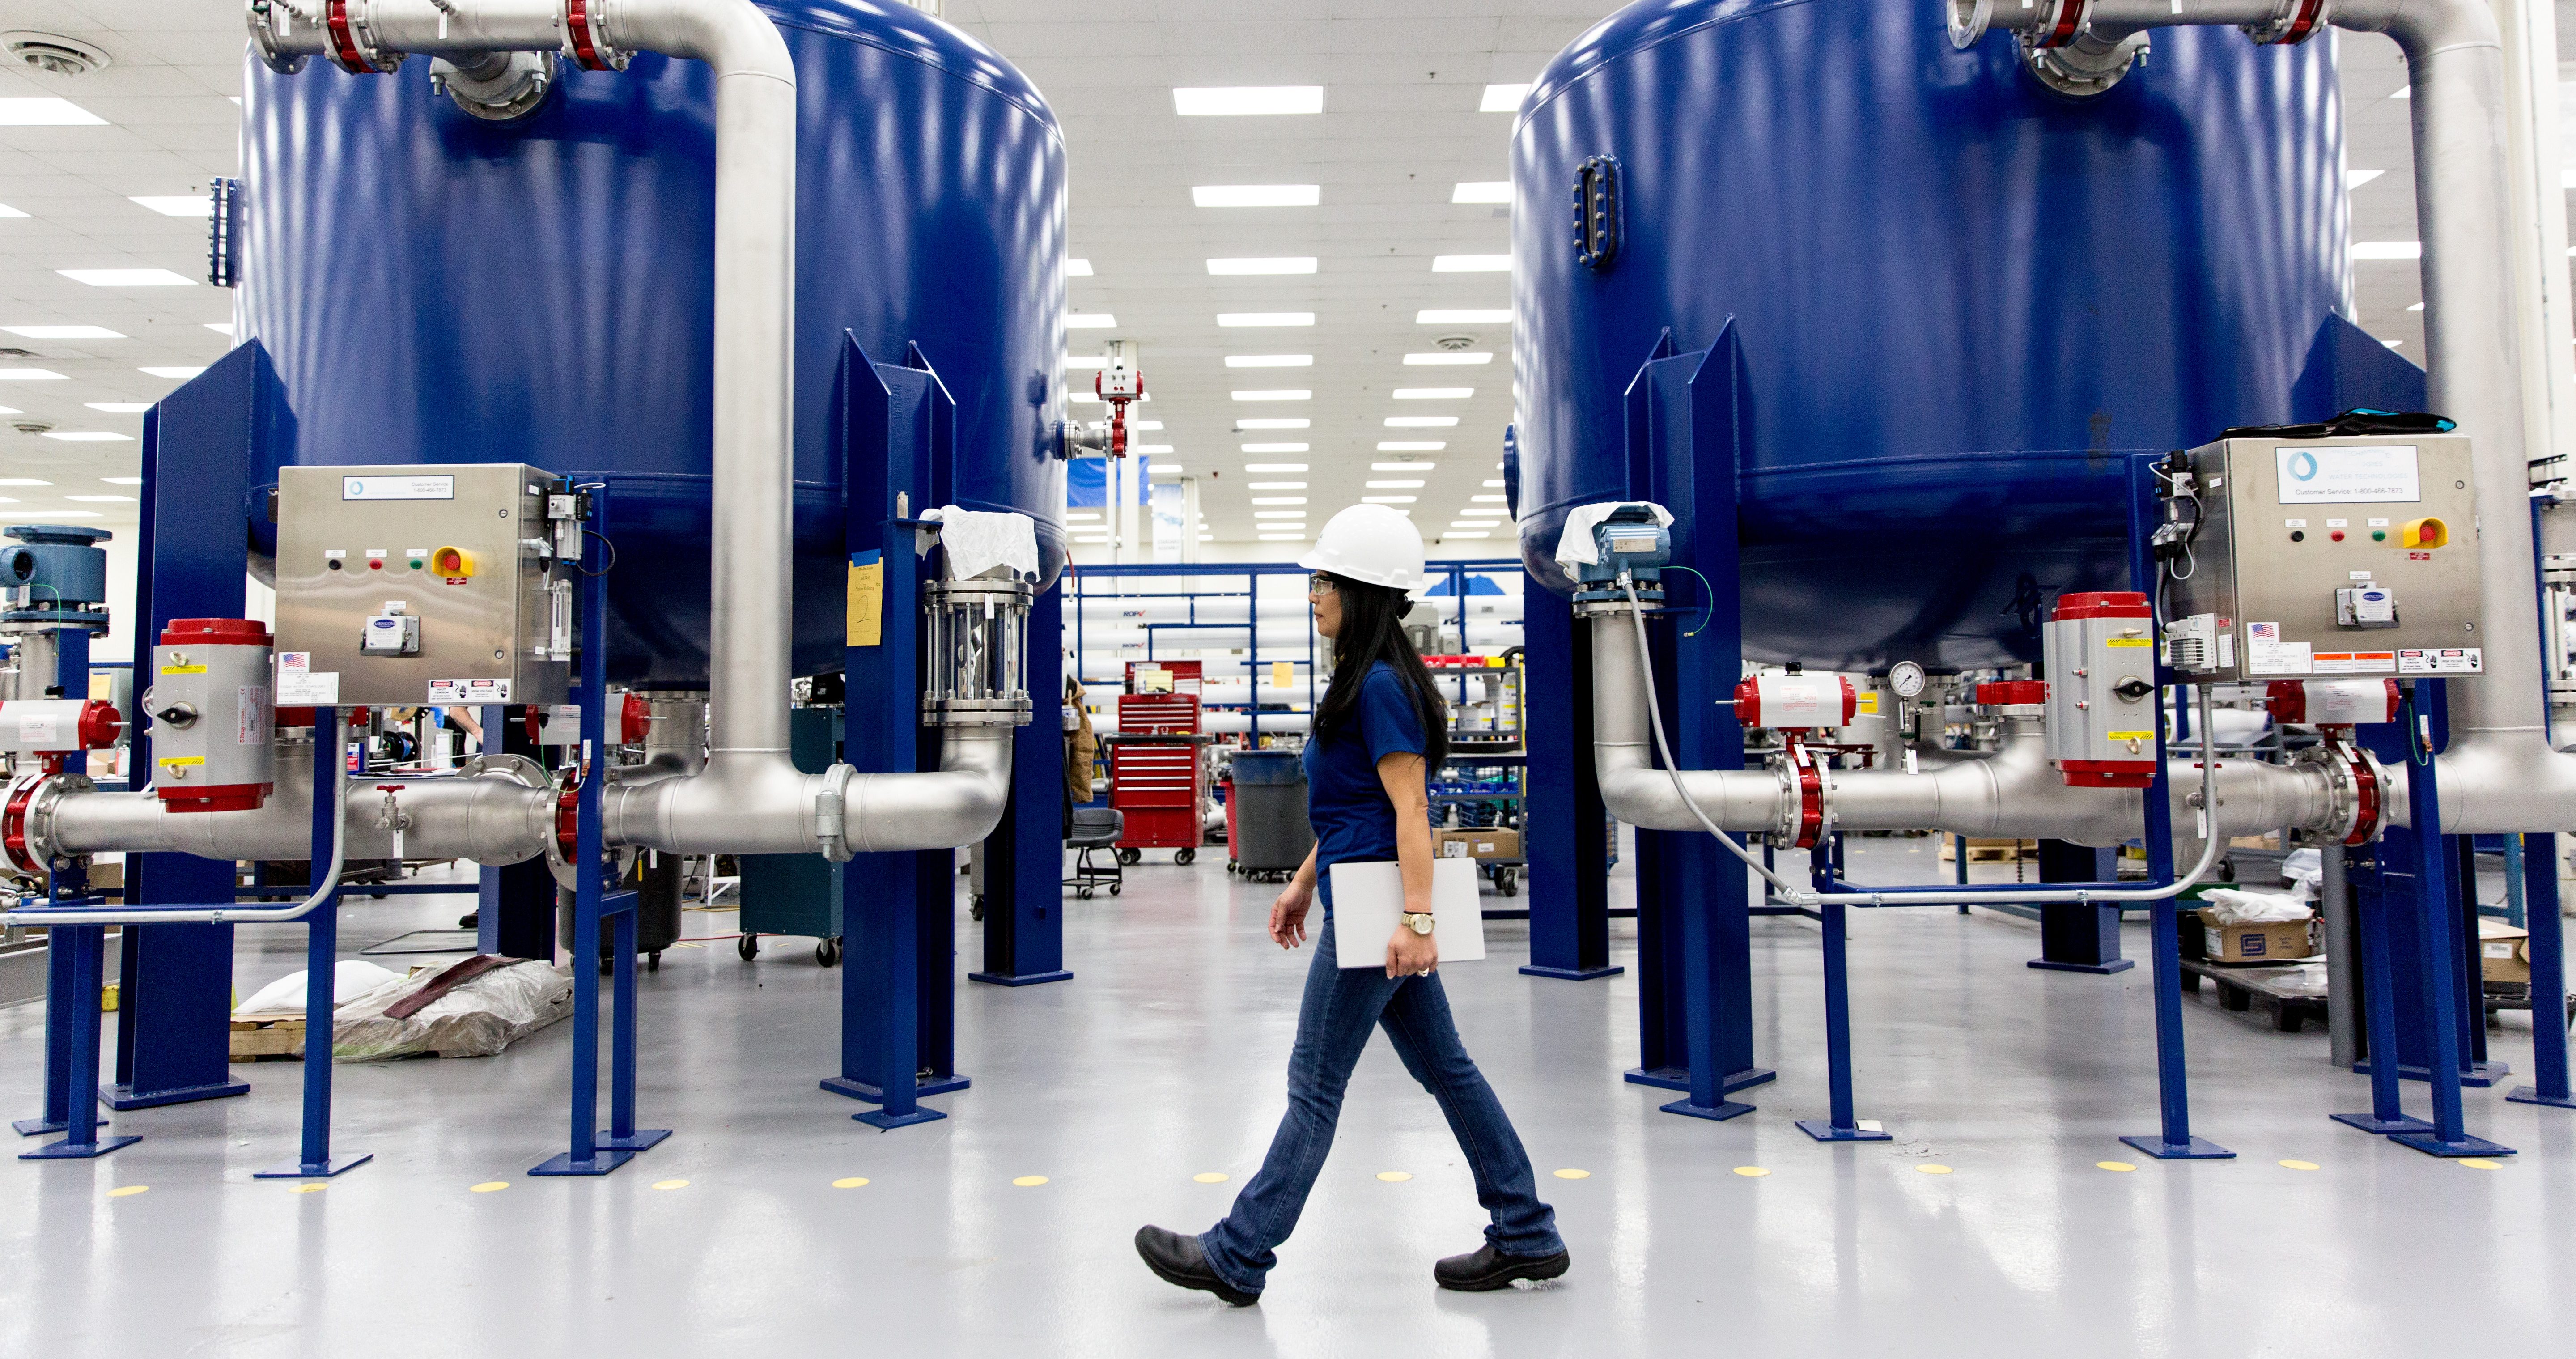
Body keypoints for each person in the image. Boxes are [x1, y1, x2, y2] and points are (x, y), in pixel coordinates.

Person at [1134, 504, 1568, 1305]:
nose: (1315, 593)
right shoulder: (1364, 681)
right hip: (1360, 893)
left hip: (1376, 917)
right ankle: (1526, 1228)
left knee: (1313, 1086)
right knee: (1450, 1070)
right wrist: (1303, 878)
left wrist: (1418, 919)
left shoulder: (1380, 687)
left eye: (1326, 579)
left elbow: (1411, 810)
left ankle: (1239, 1252)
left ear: (1365, 591)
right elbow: (1352, 808)